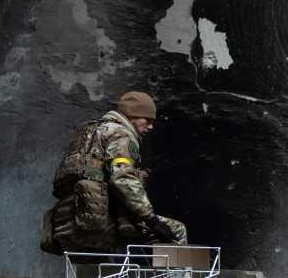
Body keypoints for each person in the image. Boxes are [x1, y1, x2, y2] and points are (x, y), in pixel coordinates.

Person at [40, 90, 187, 254]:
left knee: (101, 274)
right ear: (132, 115)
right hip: (100, 220)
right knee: (176, 231)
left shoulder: (87, 132)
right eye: (147, 120)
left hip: (68, 223)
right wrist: (150, 219)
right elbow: (122, 179)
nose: (151, 126)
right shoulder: (121, 134)